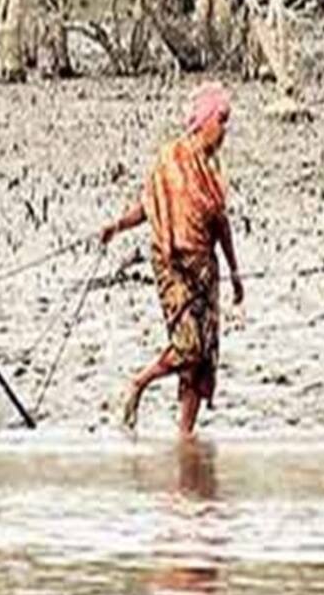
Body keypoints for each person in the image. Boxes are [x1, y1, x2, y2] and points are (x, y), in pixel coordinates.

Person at [99, 81, 246, 435]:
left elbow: (221, 226)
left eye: (227, 121)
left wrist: (235, 272)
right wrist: (118, 226)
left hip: (205, 271)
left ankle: (185, 435)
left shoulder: (213, 173)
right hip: (172, 267)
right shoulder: (171, 160)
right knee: (189, 345)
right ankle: (139, 383)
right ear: (204, 121)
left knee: (202, 358)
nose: (224, 129)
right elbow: (150, 206)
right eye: (221, 120)